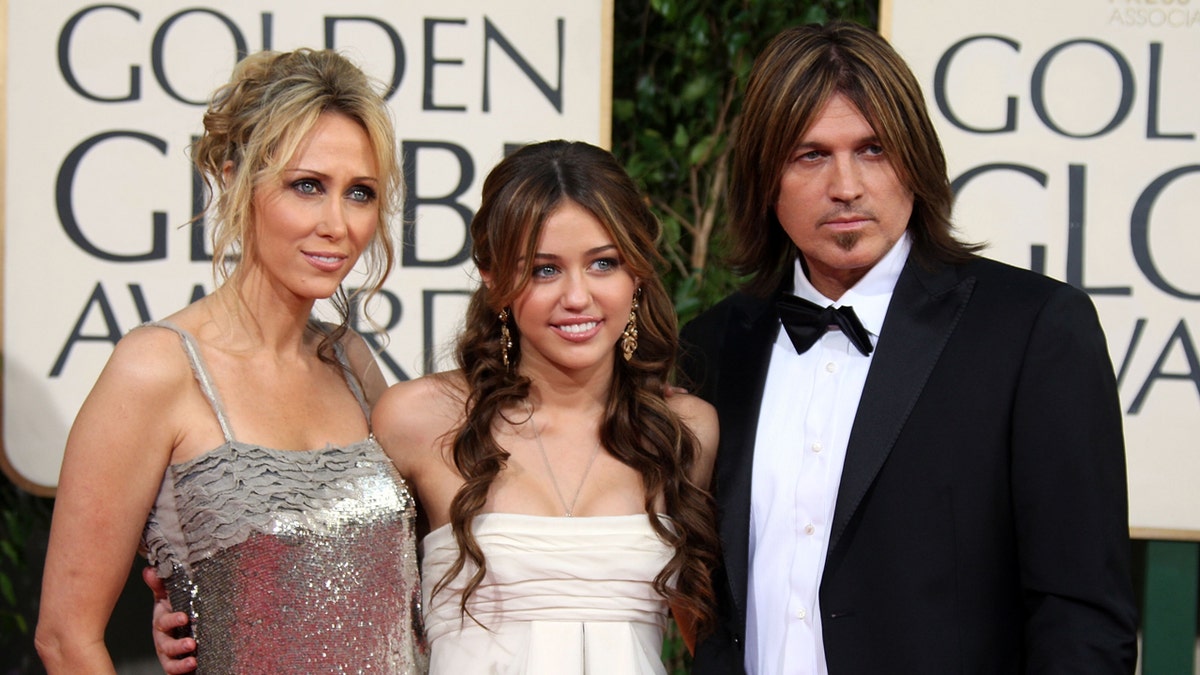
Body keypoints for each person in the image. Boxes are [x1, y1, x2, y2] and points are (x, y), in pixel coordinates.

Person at [678, 21, 1138, 674]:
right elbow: (709, 600)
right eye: (811, 154)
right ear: (764, 178)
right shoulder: (715, 347)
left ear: (916, 161)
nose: (846, 186)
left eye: (873, 149)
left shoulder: (1033, 330)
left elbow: (1082, 615)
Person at [36, 48, 427, 674]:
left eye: (360, 194)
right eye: (307, 186)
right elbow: (65, 637)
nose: (338, 224)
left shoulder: (350, 360)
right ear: (232, 178)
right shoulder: (157, 368)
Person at [375, 139, 720, 674]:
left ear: (637, 273)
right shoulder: (417, 420)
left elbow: (715, 644)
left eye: (603, 263)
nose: (577, 297)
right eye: (544, 270)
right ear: (492, 278)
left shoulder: (683, 431)